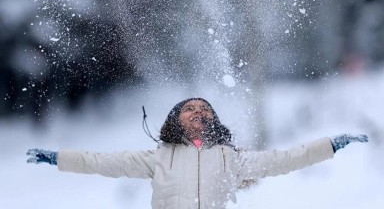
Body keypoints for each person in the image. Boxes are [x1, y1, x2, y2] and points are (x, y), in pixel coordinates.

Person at [27, 97, 368, 209]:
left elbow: (284, 159)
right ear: (175, 119)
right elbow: (100, 162)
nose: (199, 112)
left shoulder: (230, 158)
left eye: (205, 109)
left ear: (213, 120)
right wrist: (58, 157)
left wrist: (330, 145)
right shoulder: (157, 157)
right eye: (190, 108)